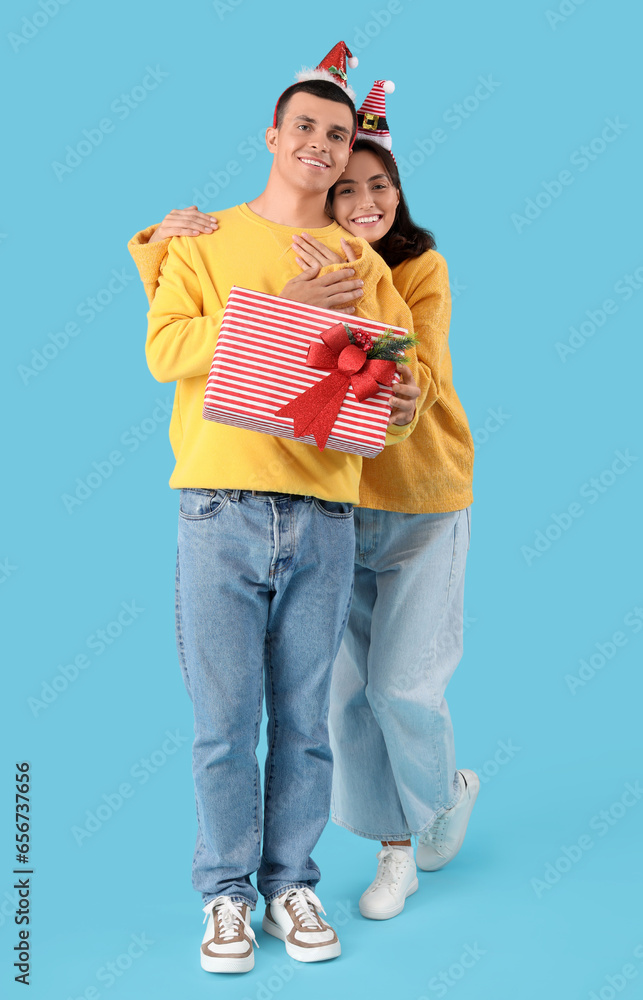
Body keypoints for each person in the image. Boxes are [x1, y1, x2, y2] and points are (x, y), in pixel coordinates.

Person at [131, 78, 478, 928]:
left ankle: (297, 880)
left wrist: (400, 400)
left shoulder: (368, 263)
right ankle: (227, 896)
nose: (323, 150)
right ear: (272, 135)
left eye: (340, 137)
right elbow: (167, 346)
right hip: (225, 507)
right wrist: (270, 311)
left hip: (340, 507)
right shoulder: (208, 237)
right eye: (307, 130)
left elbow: (397, 379)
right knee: (231, 723)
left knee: (323, 716)